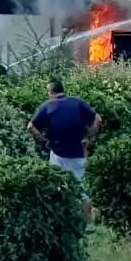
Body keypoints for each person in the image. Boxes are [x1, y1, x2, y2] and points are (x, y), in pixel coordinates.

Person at [29, 77, 102, 217]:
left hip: (57, 154)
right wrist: (90, 139)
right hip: (79, 152)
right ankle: (87, 222)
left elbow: (30, 126)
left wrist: (43, 141)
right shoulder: (78, 103)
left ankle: (63, 219)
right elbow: (98, 119)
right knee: (82, 188)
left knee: (57, 185)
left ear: (51, 91)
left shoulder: (47, 106)